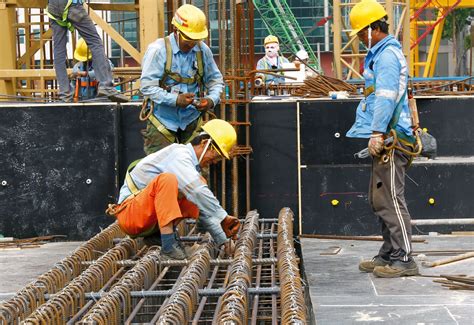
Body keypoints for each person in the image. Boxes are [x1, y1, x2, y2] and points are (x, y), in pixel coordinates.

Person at [346, 0, 418, 278]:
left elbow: (386, 98)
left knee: (391, 198)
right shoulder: (380, 54)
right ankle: (389, 253)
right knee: (380, 198)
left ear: (374, 28)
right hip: (384, 136)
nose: (361, 39)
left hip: (391, 138)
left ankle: (405, 258)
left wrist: (377, 133)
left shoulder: (386, 56)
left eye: (362, 33)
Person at [106, 119, 240, 260]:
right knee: (169, 181)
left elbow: (203, 207)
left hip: (146, 217)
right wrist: (224, 217)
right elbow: (198, 191)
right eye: (216, 156)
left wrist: (223, 240)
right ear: (204, 143)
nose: (214, 162)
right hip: (130, 216)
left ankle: (158, 237)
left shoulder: (189, 168)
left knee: (197, 189)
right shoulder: (179, 155)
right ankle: (169, 247)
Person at [140, 4, 224, 155]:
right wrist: (175, 100)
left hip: (191, 121)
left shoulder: (202, 50)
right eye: (188, 40)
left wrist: (211, 100)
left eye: (195, 40)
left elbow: (215, 81)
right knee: (160, 172)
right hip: (162, 121)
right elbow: (147, 87)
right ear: (175, 31)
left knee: (196, 171)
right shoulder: (158, 51)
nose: (192, 44)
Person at [46, 0, 128, 103]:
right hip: (71, 4)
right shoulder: (79, 67)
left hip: (53, 7)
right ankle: (106, 86)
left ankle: (65, 94)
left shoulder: (79, 67)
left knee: (59, 51)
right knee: (95, 42)